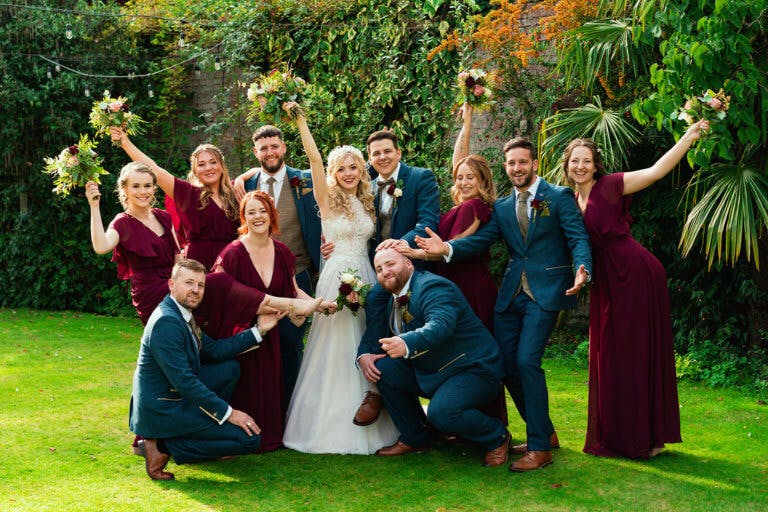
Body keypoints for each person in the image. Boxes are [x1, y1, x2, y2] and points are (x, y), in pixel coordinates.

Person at [416, 137, 592, 471]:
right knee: (506, 364)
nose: (516, 168)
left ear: (534, 164)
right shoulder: (500, 207)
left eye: (522, 162)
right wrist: (445, 250)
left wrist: (582, 268)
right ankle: (546, 432)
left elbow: (577, 237)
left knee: (527, 361)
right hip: (510, 295)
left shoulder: (558, 196)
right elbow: (481, 240)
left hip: (546, 291)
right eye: (510, 163)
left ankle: (540, 449)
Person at [563, 119, 709, 459]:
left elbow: (657, 171)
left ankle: (647, 438)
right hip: (607, 283)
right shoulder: (569, 200)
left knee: (635, 352)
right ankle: (619, 435)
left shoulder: (613, 185)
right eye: (574, 161)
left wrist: (689, 135)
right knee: (610, 356)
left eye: (586, 160)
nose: (580, 166)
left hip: (635, 273)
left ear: (596, 164)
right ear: (567, 166)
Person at [281, 103, 399, 454]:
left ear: (361, 170)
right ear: (333, 172)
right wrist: (301, 120)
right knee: (337, 343)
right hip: (338, 276)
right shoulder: (327, 198)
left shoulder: (367, 198)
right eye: (341, 168)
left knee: (369, 336)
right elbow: (314, 162)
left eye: (354, 167)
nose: (348, 173)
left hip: (368, 271)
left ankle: (376, 405)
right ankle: (329, 422)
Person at [395, 103, 507, 424]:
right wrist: (467, 123)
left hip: (469, 288)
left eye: (470, 176)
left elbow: (451, 247)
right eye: (459, 177)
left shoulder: (474, 207)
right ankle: (458, 416)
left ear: (482, 179)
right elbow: (460, 158)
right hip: (455, 284)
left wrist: (413, 254)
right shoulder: (464, 202)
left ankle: (482, 420)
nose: (463, 180)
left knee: (472, 353)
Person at [129, 258, 285, 480]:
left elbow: (214, 350)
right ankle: (160, 445)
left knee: (229, 368)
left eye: (200, 285)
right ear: (172, 285)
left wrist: (259, 330)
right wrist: (229, 414)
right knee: (249, 439)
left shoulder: (182, 313)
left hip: (176, 397)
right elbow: (184, 383)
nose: (196, 290)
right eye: (189, 283)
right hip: (163, 409)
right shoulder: (166, 322)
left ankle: (206, 437)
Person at [356, 248, 510, 467]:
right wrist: (365, 355)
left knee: (442, 414)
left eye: (390, 264)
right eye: (379, 269)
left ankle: (497, 437)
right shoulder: (394, 298)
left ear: (409, 263)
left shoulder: (433, 287)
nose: (385, 272)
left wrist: (406, 343)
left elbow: (441, 325)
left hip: (473, 368)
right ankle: (415, 438)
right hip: (434, 368)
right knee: (384, 368)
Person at [213, 191, 331, 452]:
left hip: (273, 333)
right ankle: (242, 433)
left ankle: (272, 432)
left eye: (263, 211)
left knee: (274, 381)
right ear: (244, 218)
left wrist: (319, 304)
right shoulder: (232, 253)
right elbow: (220, 292)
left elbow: (292, 291)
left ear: (271, 215)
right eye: (251, 212)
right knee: (247, 384)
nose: (258, 217)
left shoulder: (283, 251)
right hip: (242, 332)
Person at [233, 124, 323, 402]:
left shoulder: (305, 180)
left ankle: (292, 408)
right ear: (255, 152)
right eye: (263, 148)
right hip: (254, 282)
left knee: (291, 344)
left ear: (284, 147)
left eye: (274, 146)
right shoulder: (245, 185)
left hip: (297, 274)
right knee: (257, 343)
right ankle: (261, 404)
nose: (270, 152)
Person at [111, 127, 240, 270]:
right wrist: (125, 142)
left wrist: (248, 174)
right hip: (199, 268)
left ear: (222, 166)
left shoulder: (237, 191)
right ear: (195, 171)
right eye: (201, 164)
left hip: (233, 263)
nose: (208, 168)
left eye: (213, 162)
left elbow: (263, 173)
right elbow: (155, 169)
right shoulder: (188, 194)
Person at [86, 162, 180, 326]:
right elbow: (101, 247)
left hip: (175, 287)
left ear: (154, 188)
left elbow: (179, 259)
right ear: (125, 190)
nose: (143, 191)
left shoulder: (164, 216)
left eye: (147, 186)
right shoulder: (123, 222)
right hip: (151, 293)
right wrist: (94, 206)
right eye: (136, 186)